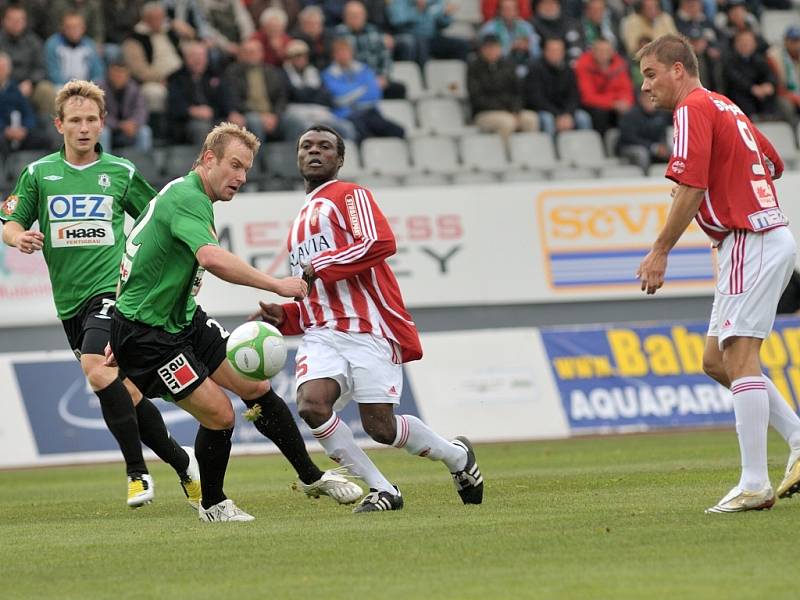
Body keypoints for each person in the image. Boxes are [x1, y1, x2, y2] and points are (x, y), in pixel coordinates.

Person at [107, 122, 363, 522]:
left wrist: (121, 316)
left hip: (178, 319)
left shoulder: (186, 195)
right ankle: (212, 504)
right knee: (220, 414)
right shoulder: (188, 198)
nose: (242, 177)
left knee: (255, 386)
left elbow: (137, 255)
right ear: (208, 160)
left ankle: (310, 476)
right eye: (235, 166)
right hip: (148, 335)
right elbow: (211, 258)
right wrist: (277, 284)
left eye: (246, 169)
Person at [251, 125, 484, 513]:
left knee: (381, 427)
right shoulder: (298, 224)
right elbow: (317, 293)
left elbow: (378, 242)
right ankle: (384, 489)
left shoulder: (349, 194)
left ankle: (457, 457)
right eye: (306, 146)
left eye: (325, 147)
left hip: (368, 327)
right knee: (311, 405)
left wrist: (318, 265)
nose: (314, 152)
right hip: (322, 333)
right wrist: (286, 316)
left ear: (339, 160)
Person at [0, 80, 200, 509]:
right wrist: (18, 238)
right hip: (69, 304)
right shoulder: (39, 174)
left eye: (92, 119)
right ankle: (183, 463)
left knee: (96, 366)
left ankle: (136, 474)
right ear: (60, 125)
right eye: (76, 120)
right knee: (120, 389)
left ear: (103, 123)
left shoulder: (122, 173)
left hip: (114, 293)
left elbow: (158, 222)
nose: (85, 127)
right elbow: (9, 222)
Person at [636, 34, 800, 513]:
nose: (645, 86)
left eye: (651, 74)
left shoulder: (690, 110)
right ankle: (796, 438)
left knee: (740, 355)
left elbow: (691, 184)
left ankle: (754, 482)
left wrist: (659, 251)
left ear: (679, 70)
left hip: (749, 237)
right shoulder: (726, 106)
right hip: (760, 236)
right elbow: (772, 163)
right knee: (716, 360)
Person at [467, 33, 539, 143]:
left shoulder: (509, 65)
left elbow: (518, 92)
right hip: (484, 113)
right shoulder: (474, 68)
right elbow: (477, 98)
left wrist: (516, 109)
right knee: (507, 122)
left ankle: (529, 154)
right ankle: (506, 155)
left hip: (510, 111)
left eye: (495, 47)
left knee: (531, 119)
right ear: (482, 49)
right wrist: (506, 110)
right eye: (488, 47)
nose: (492, 51)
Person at [99, 59, 153, 153]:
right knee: (103, 133)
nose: (118, 76)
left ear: (128, 75)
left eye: (122, 73)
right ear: (109, 73)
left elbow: (141, 110)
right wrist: (118, 125)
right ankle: (104, 165)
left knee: (145, 131)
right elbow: (97, 113)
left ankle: (142, 165)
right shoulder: (99, 88)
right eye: (115, 73)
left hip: (129, 128)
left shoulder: (134, 88)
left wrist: (134, 123)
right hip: (109, 126)